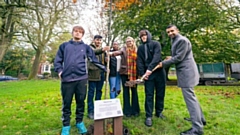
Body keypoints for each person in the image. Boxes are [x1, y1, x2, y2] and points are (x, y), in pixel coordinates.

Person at [54, 26, 106, 135]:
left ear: (82, 35)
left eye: (80, 32)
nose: (78, 33)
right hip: (67, 80)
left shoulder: (86, 47)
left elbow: (94, 60)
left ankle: (79, 122)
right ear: (72, 33)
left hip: (81, 79)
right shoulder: (64, 46)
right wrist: (59, 71)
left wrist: (105, 68)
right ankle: (66, 125)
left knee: (80, 102)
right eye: (76, 31)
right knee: (66, 103)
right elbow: (58, 60)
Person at [158, 25, 205, 135]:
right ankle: (200, 119)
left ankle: (197, 128)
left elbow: (179, 58)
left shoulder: (181, 40)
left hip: (187, 73)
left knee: (190, 100)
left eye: (172, 31)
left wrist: (163, 64)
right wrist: (171, 57)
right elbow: (179, 55)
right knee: (193, 98)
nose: (170, 33)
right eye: (168, 32)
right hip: (187, 72)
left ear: (177, 30)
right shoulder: (176, 41)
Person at [137, 30, 166, 127]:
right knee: (149, 95)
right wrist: (143, 73)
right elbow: (140, 61)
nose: (143, 37)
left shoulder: (156, 44)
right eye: (141, 36)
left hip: (158, 72)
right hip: (148, 75)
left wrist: (150, 69)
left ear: (148, 35)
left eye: (145, 35)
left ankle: (159, 112)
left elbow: (157, 57)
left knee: (160, 93)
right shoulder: (140, 48)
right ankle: (148, 116)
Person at [110, 36, 140, 117]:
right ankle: (127, 111)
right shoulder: (123, 49)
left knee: (134, 91)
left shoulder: (137, 50)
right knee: (126, 92)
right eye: (127, 41)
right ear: (125, 43)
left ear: (133, 42)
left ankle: (135, 110)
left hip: (134, 74)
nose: (129, 42)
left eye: (130, 41)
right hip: (125, 73)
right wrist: (111, 54)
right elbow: (118, 52)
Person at [87, 35, 110, 119]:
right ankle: (90, 111)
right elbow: (94, 53)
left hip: (101, 74)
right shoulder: (89, 48)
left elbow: (103, 62)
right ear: (94, 40)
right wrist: (102, 50)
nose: (98, 42)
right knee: (91, 92)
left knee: (99, 92)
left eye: (100, 40)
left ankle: (98, 109)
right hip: (92, 74)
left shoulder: (103, 50)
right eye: (97, 40)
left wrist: (107, 61)